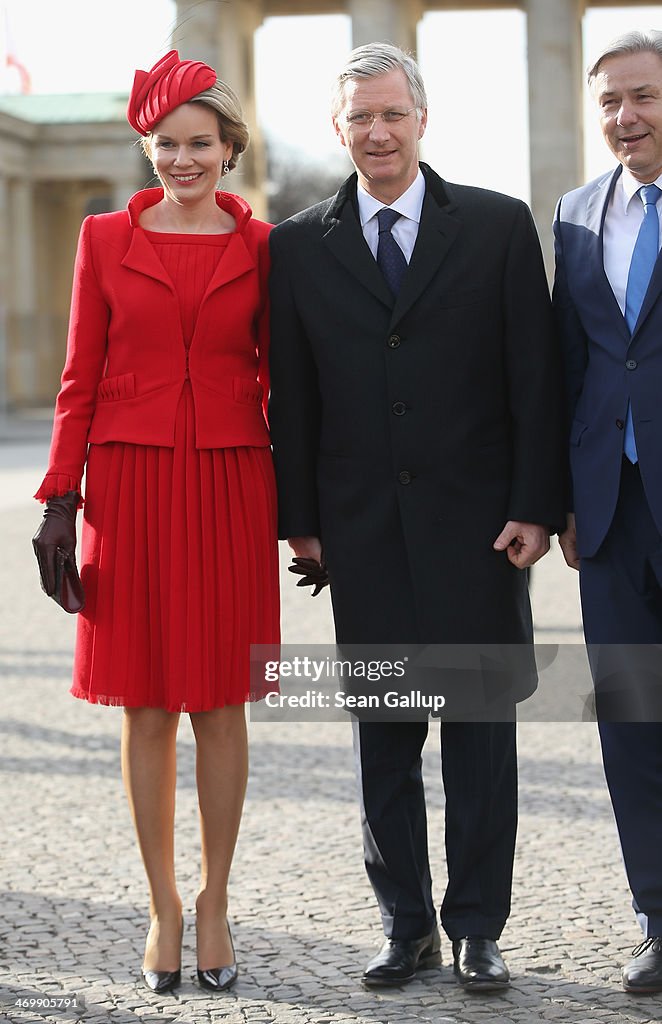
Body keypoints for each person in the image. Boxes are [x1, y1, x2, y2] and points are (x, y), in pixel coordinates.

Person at [268, 42, 563, 990]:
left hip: (482, 534)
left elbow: (535, 379)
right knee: (384, 744)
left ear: (422, 119)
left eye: (393, 114)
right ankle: (406, 925)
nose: (379, 131)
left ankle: (478, 925)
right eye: (361, 118)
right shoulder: (298, 244)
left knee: (480, 742)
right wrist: (303, 519)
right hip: (362, 534)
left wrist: (533, 506)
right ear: (338, 129)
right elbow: (296, 392)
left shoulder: (496, 226)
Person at [32, 50, 279, 995]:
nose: (182, 160)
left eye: (200, 144)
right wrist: (62, 499)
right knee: (144, 704)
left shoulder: (263, 248)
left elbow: (282, 381)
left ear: (229, 150)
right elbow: (77, 376)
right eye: (167, 144)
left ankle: (216, 899)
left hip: (228, 480)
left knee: (219, 700)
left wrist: (301, 514)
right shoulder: (101, 239)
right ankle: (163, 905)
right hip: (128, 486)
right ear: (149, 148)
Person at [554, 29, 662, 994]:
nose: (624, 118)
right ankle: (659, 916)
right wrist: (561, 502)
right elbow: (572, 362)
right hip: (612, 512)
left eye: (644, 98)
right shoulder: (576, 213)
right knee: (632, 718)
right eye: (611, 104)